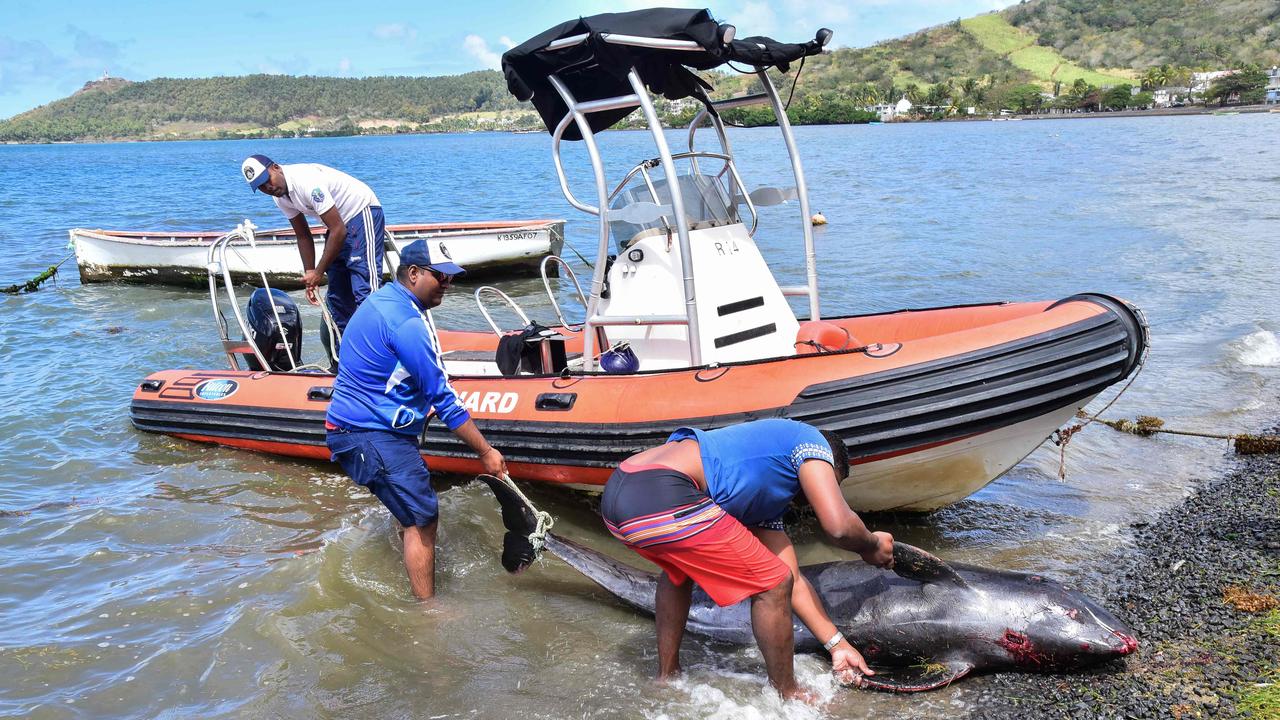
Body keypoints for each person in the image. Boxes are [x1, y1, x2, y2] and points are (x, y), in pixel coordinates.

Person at [599, 418, 894, 701]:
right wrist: (871, 545)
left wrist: (837, 645)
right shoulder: (811, 441)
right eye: (832, 481)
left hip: (620, 498)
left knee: (681, 573)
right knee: (773, 584)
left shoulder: (759, 497)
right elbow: (839, 526)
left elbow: (794, 580)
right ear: (827, 464)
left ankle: (668, 676)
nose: (817, 495)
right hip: (663, 494)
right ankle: (788, 693)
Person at [324, 238, 506, 600]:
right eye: (441, 277)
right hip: (370, 434)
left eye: (451, 278)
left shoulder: (380, 301)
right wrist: (486, 452)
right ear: (413, 273)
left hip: (353, 428)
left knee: (410, 508)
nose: (447, 286)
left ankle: (405, 555)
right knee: (424, 517)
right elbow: (443, 398)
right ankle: (428, 611)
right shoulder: (406, 323)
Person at [240, 154, 385, 339]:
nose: (268, 187)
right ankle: (344, 356)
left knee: (365, 290)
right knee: (338, 298)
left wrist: (318, 272)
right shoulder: (280, 198)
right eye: (260, 186)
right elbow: (302, 235)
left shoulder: (306, 182)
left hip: (362, 212)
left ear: (276, 167)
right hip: (337, 226)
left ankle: (378, 352)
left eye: (267, 179)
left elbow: (338, 230)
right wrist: (310, 273)